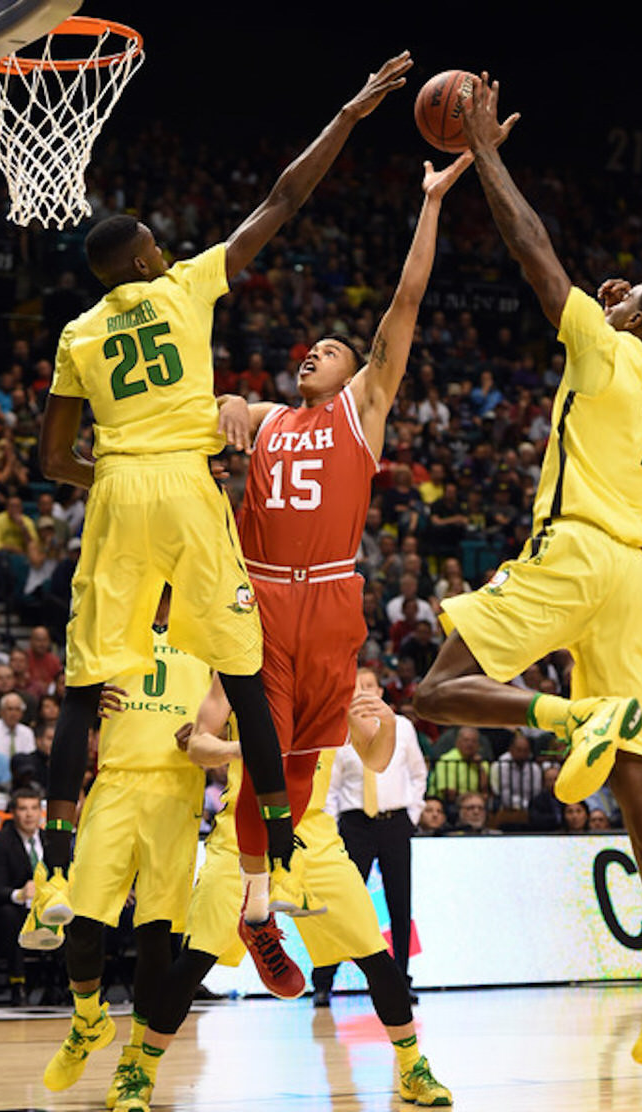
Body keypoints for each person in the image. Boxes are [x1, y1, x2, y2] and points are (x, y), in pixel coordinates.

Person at [22, 53, 414, 950]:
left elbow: (52, 459)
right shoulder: (186, 284)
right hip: (192, 494)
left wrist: (114, 475)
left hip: (119, 489)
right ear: (145, 257)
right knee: (243, 676)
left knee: (86, 683)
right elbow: (281, 199)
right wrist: (348, 117)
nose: (163, 246)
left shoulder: (78, 333)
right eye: (156, 241)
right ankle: (277, 863)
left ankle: (51, 872)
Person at [413, 73, 642, 1066]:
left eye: (624, 293)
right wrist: (624, 316)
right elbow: (611, 331)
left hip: (574, 548)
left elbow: (530, 249)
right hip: (629, 572)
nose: (611, 290)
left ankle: (565, 717)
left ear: (631, 319)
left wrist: (484, 154)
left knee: (432, 689)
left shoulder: (601, 346)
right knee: (635, 764)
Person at [202, 149, 471, 981]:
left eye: (331, 347)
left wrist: (428, 204)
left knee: (297, 763)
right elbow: (206, 422)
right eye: (309, 346)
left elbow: (406, 304)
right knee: (260, 748)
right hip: (263, 599)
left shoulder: (363, 412)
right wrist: (227, 404)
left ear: (358, 373)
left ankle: (259, 910)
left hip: (332, 600)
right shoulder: (266, 414)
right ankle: (257, 908)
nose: (313, 350)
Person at [109, 687, 451, 1112]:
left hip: (313, 835)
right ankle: (139, 1071)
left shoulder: (332, 679)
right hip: (239, 833)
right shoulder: (238, 670)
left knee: (376, 957)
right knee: (194, 960)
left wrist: (386, 724)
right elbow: (198, 744)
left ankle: (412, 1068)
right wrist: (245, 748)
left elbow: (377, 760)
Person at [40, 586, 211, 1096]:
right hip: (115, 782)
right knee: (83, 916)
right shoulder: (113, 629)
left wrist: (206, 730)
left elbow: (233, 704)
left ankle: (135, 1063)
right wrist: (88, 698)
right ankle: (89, 1019)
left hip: (177, 790)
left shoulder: (207, 633)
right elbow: (70, 697)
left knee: (157, 931)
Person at [312, 668, 427, 1005]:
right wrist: (334, 828)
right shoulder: (341, 730)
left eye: (370, 686)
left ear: (380, 690)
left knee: (399, 904)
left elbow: (418, 774)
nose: (364, 691)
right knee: (342, 906)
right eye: (357, 687)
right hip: (354, 825)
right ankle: (323, 983)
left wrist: (412, 815)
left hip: (395, 823)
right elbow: (330, 786)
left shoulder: (402, 727)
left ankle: (401, 980)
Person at [0, 786, 46, 1005]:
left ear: (41, 812)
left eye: (34, 808)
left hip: (46, 908)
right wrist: (20, 894)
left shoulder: (51, 841)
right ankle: (17, 983)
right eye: (23, 809)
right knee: (10, 915)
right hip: (9, 911)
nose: (29, 814)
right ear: (13, 812)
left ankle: (66, 985)